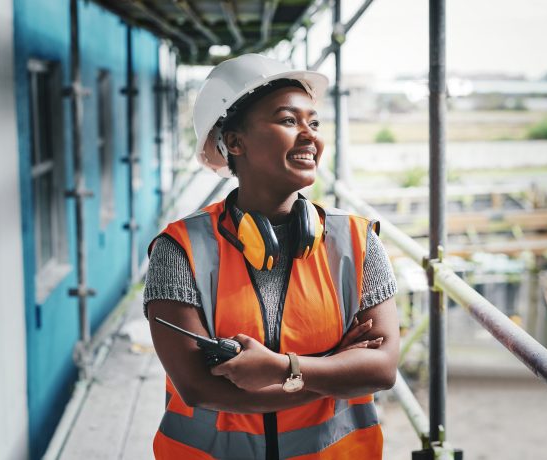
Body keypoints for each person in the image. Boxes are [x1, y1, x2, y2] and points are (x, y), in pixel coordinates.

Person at [144, 53, 400, 459]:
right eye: (287, 120)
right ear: (234, 141)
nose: (309, 135)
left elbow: (381, 369)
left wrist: (281, 369)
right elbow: (198, 388)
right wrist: (334, 368)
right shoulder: (179, 251)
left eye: (313, 122)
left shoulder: (357, 242)